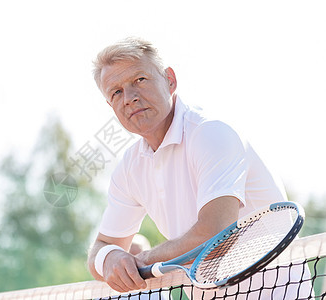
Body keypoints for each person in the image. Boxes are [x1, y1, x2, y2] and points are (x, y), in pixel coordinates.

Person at [87, 37, 311, 299]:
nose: (130, 98)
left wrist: (142, 259)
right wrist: (110, 258)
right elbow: (100, 248)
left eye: (140, 80)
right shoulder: (129, 169)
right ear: (110, 105)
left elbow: (216, 233)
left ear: (170, 80)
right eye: (116, 92)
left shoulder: (211, 133)